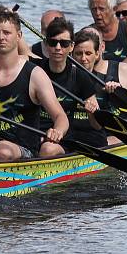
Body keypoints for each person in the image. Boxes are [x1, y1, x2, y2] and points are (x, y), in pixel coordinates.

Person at [0, 9, 68, 162]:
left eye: (7, 33)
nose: (1, 37)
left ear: (19, 36)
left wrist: (57, 131)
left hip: (21, 150)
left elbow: (61, 117)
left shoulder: (35, 75)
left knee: (2, 150)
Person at [72, 28, 127, 145]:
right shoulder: (70, 74)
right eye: (79, 53)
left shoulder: (124, 70)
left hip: (116, 136)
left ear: (100, 48)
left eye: (89, 52)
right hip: (81, 135)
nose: (84, 58)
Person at [36, 18, 101, 156]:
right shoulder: (34, 70)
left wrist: (92, 112)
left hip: (61, 140)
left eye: (64, 43)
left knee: (48, 149)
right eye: (53, 43)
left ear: (71, 47)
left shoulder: (80, 77)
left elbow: (97, 125)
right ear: (46, 44)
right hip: (34, 134)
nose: (58, 48)